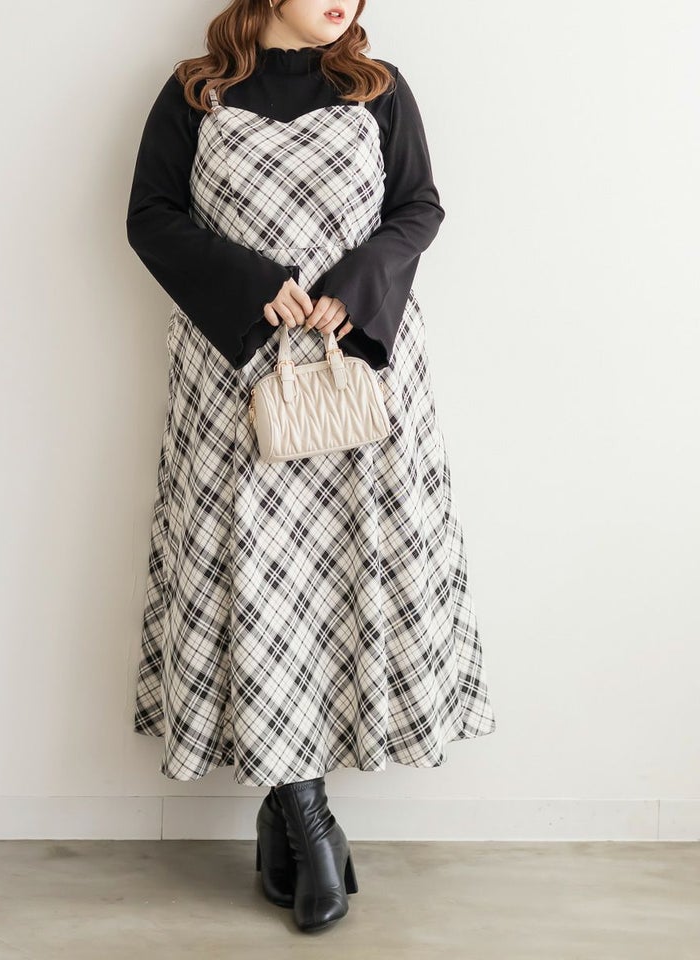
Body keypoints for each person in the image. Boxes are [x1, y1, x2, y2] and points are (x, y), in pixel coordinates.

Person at [125, 0, 497, 933]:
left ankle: (287, 820)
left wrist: (354, 288)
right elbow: (151, 219)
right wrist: (258, 288)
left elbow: (418, 208)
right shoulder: (195, 93)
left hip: (358, 376)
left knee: (341, 581)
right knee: (257, 584)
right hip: (235, 381)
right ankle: (310, 822)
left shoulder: (377, 88)